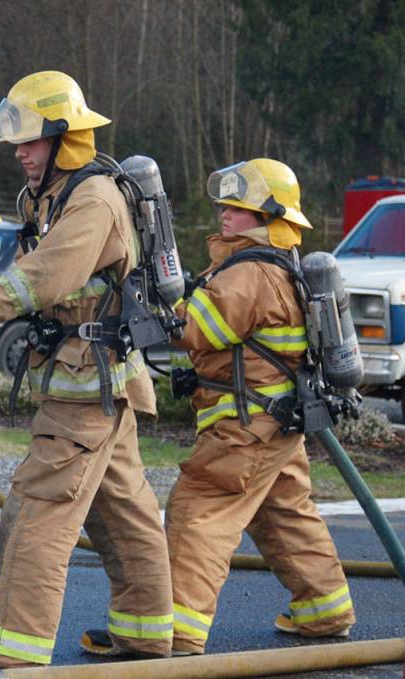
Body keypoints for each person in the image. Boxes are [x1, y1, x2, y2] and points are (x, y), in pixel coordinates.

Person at [0, 71, 173, 670]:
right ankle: (148, 634)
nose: (19, 152)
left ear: (64, 138)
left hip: (89, 387)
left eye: (30, 141)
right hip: (97, 384)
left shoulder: (95, 200)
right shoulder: (51, 196)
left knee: (37, 511)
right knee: (123, 512)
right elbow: (32, 272)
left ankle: (12, 650)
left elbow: (45, 277)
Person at [164, 158, 354, 656]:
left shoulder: (249, 272)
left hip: (243, 428)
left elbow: (195, 331)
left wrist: (163, 305)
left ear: (269, 215)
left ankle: (176, 632)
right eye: (226, 205)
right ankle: (325, 611)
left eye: (239, 207)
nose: (226, 214)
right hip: (278, 423)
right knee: (285, 515)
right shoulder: (282, 265)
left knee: (197, 512)